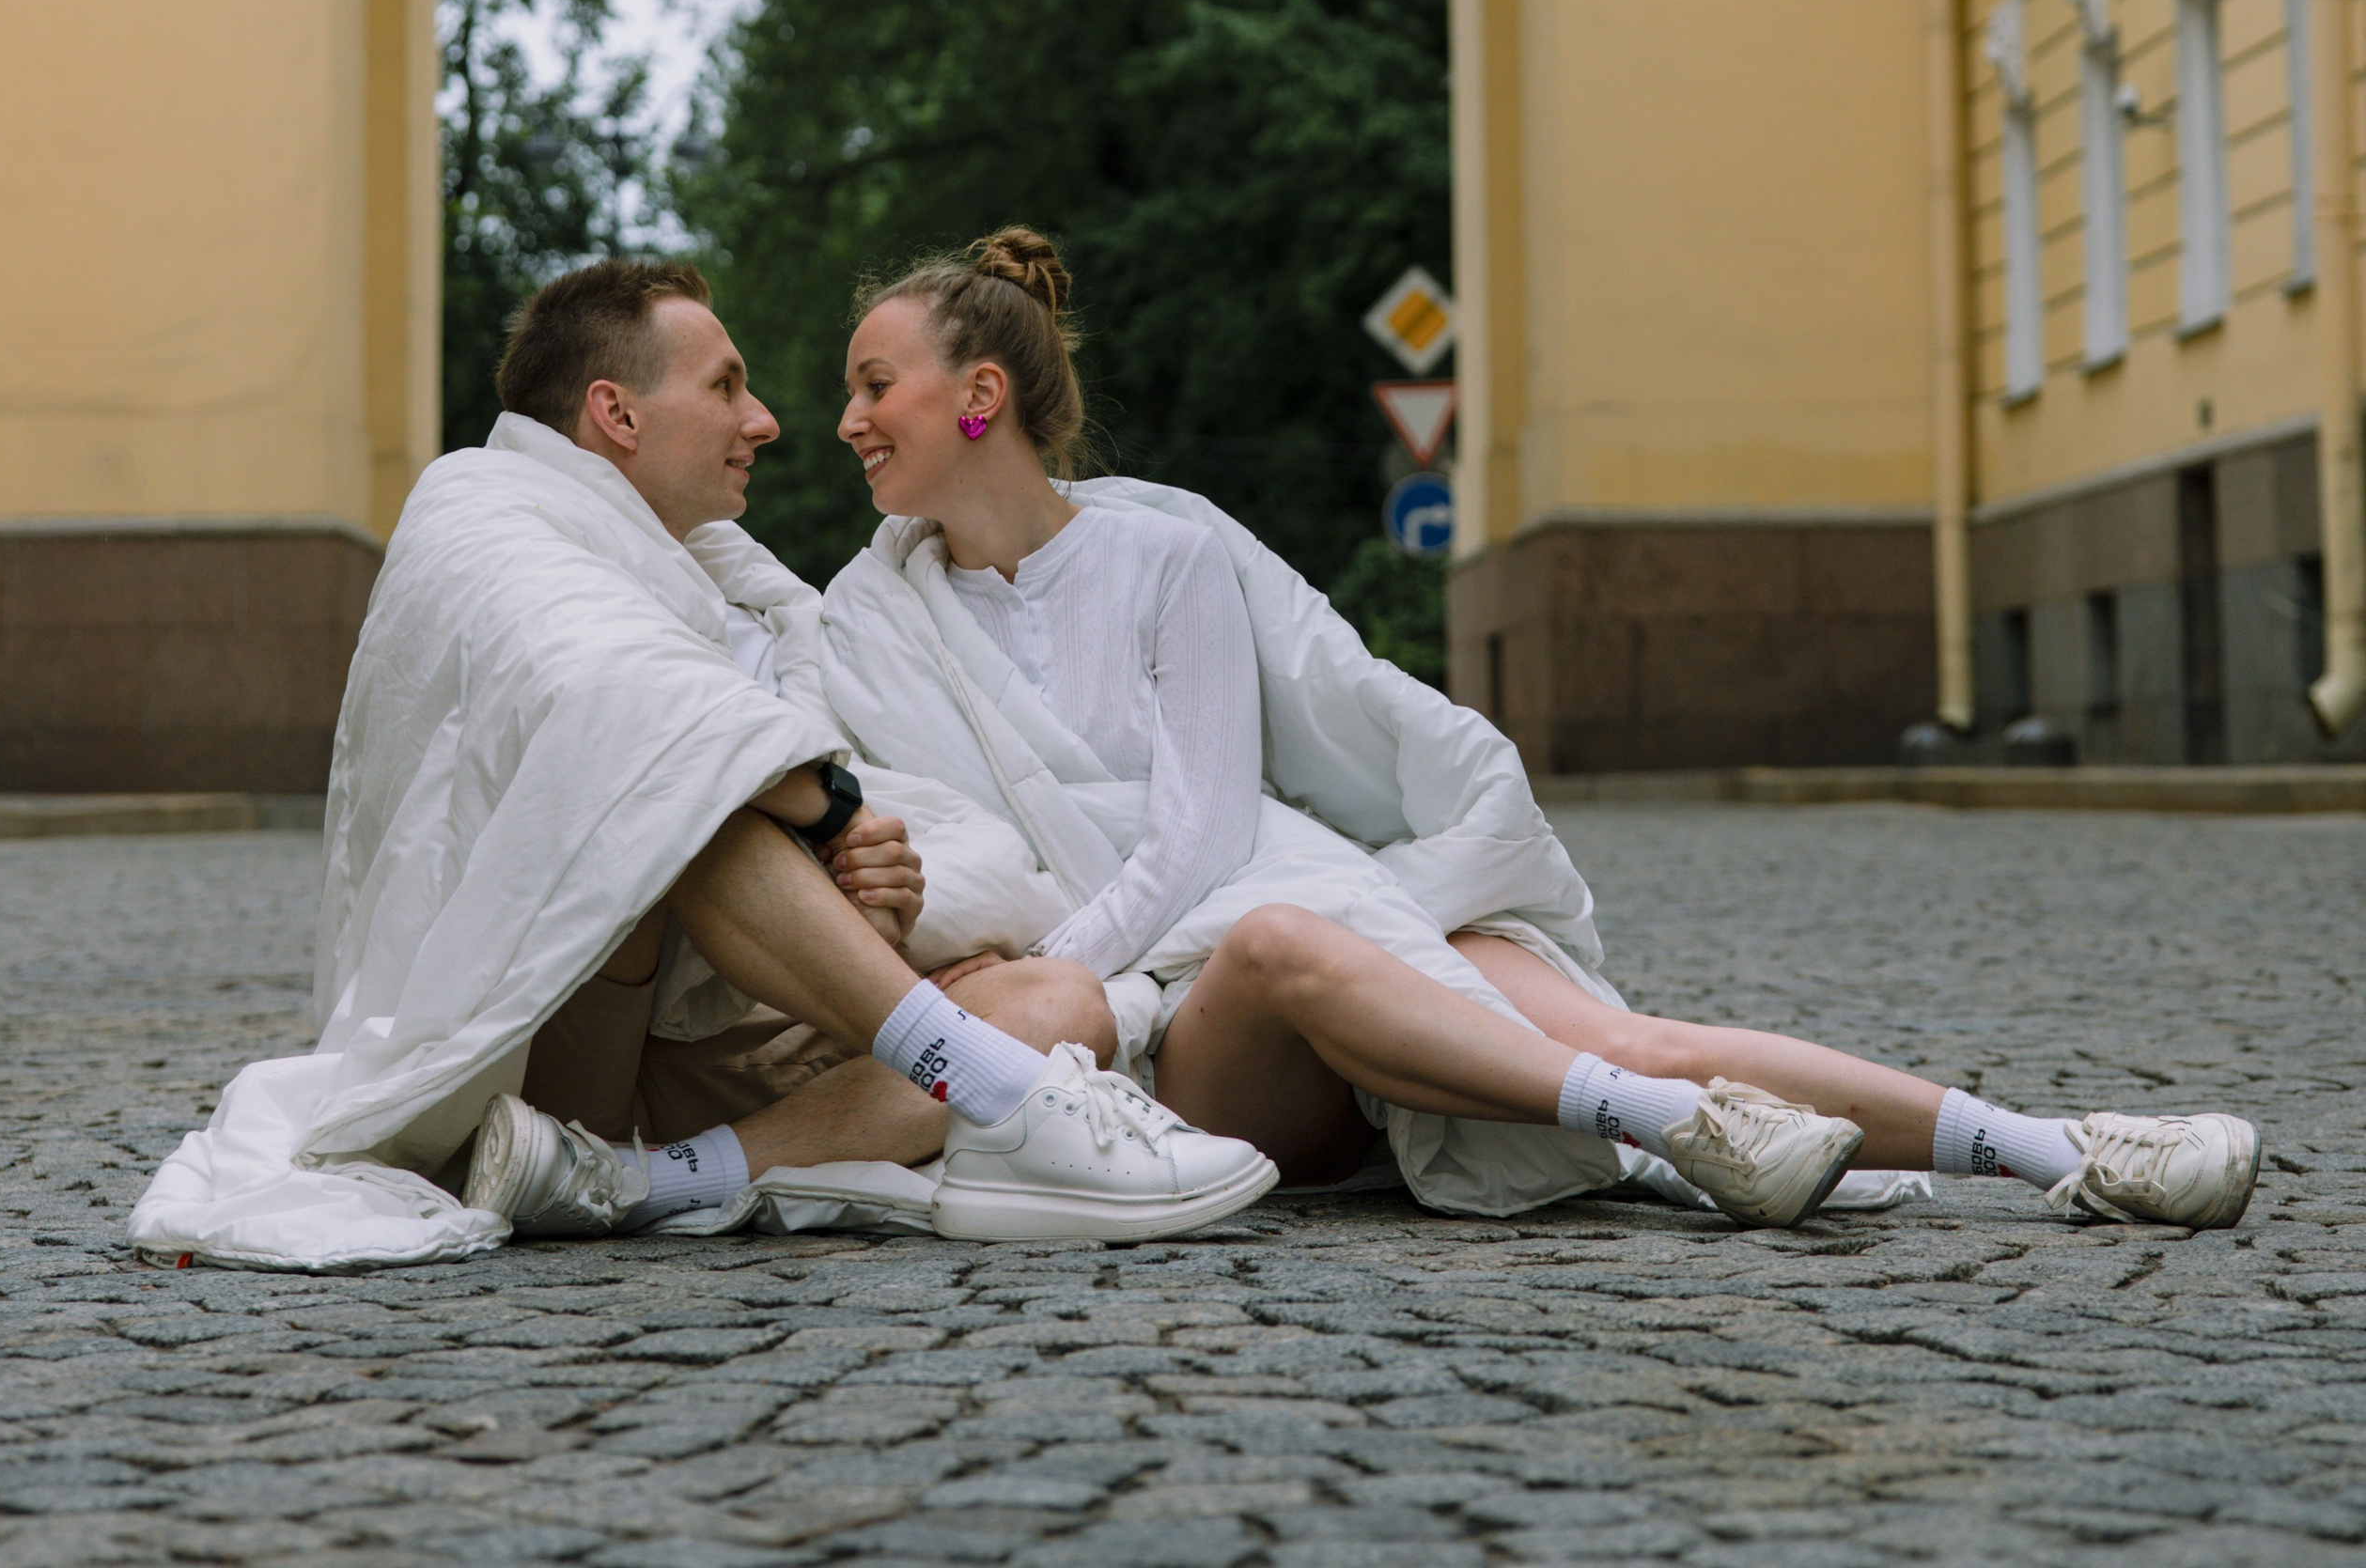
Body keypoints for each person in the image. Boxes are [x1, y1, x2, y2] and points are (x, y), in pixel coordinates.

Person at [817, 228, 2263, 1236]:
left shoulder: (1170, 555)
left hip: (1289, 886)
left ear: (980, 397)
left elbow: (1207, 822)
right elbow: (951, 851)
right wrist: (1040, 984)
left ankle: (2059, 1149)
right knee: (1276, 950)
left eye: (873, 384)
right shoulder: (866, 620)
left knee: (1616, 1021)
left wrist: (1062, 958)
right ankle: (1661, 1122)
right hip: (1166, 1033)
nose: (847, 421)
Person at [130, 260, 1274, 1271]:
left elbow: (793, 767)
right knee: (685, 790)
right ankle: (1001, 1097)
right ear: (615, 412)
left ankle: (641, 1184)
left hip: (724, 1055)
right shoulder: (483, 508)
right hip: (560, 1047)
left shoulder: (745, 592)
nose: (768, 419)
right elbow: (625, 705)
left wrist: (869, 876)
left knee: (1057, 996)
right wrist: (824, 804)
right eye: (725, 385)